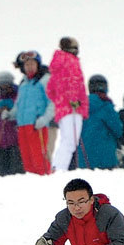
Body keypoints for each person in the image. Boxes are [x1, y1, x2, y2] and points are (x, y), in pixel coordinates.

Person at [46, 37, 89, 172]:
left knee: (66, 139)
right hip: (74, 106)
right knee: (71, 141)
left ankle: (57, 166)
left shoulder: (56, 64)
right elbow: (74, 82)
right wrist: (74, 100)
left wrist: (60, 100)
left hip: (62, 108)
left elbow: (50, 90)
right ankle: (59, 167)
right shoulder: (71, 62)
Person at [13, 51, 54, 175]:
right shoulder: (23, 84)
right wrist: (10, 114)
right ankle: (32, 183)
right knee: (27, 158)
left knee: (39, 157)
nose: (29, 67)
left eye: (32, 64)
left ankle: (45, 180)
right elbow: (18, 105)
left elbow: (52, 103)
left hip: (37, 125)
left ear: (38, 65)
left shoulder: (44, 80)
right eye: (26, 65)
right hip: (22, 125)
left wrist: (44, 119)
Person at [78, 75, 123, 170]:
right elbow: (118, 130)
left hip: (84, 158)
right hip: (105, 158)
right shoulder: (106, 106)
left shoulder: (80, 106)